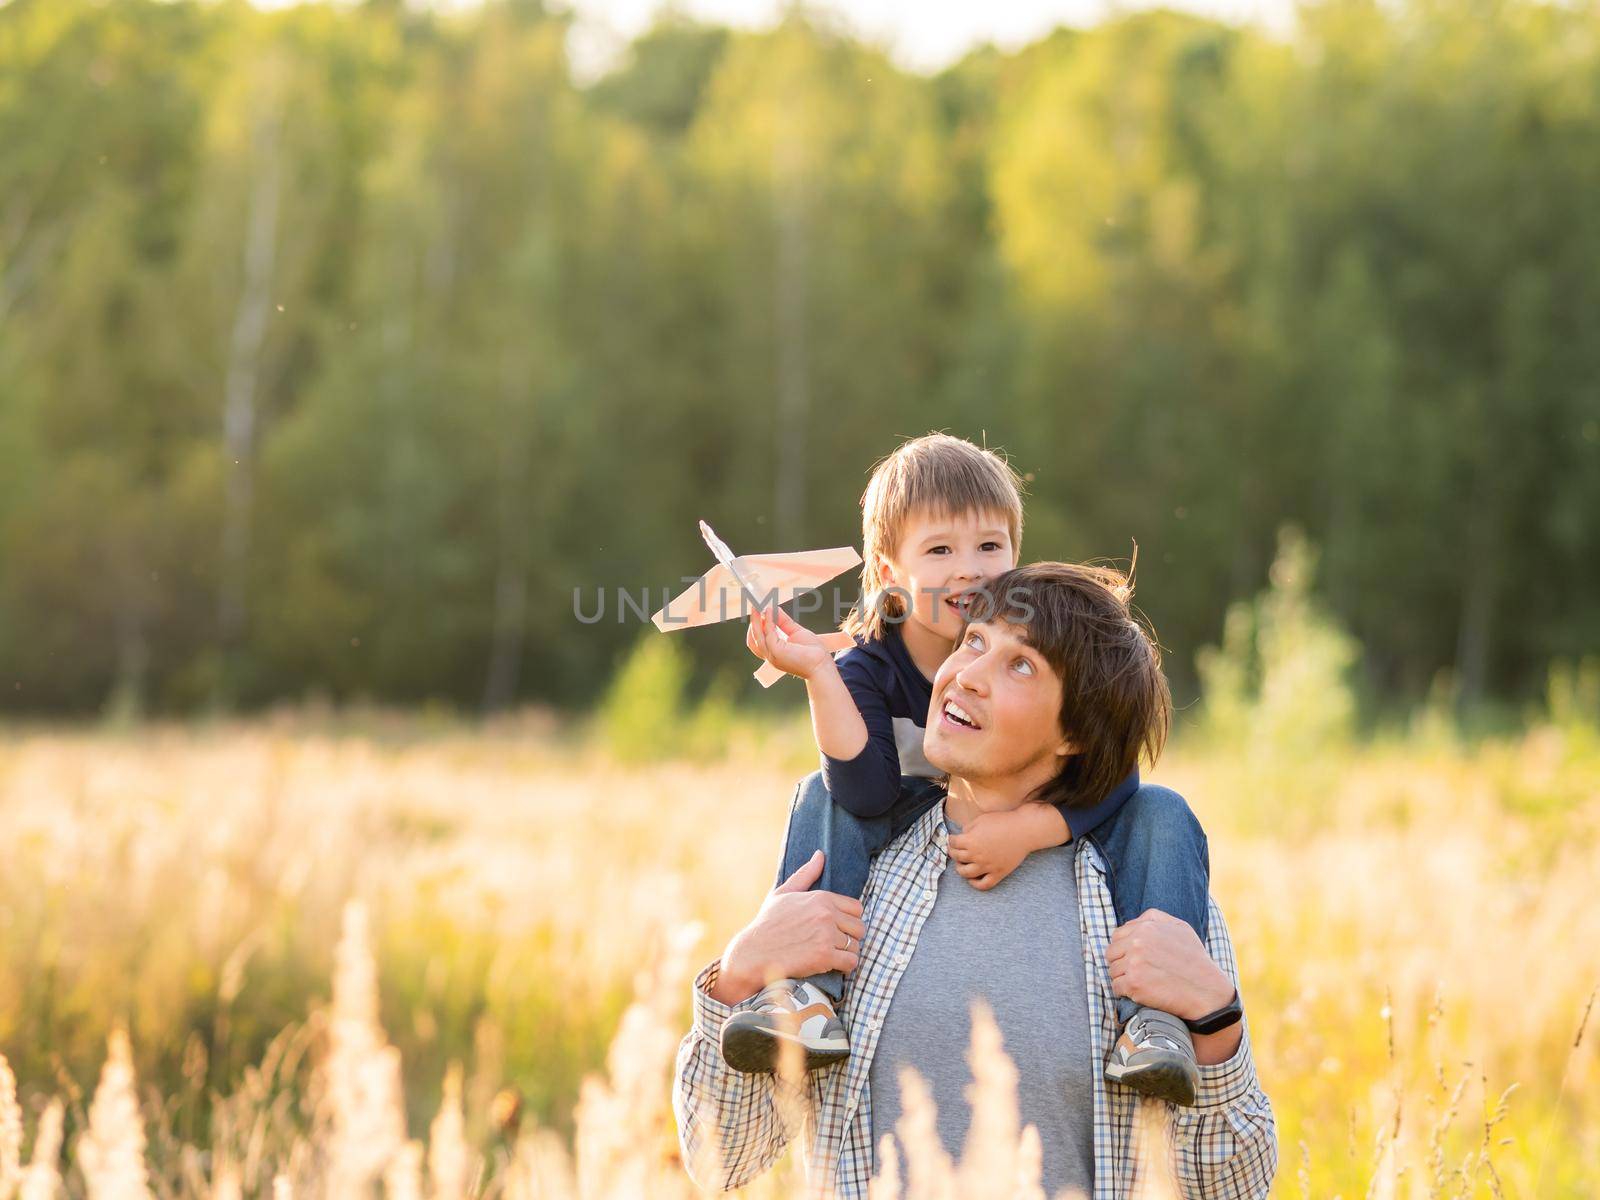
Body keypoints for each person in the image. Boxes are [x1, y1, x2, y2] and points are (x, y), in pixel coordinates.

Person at [673, 562, 1277, 1199]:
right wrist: (737, 978)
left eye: (1021, 666)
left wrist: (1216, 1023)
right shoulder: (852, 878)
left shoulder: (1145, 898)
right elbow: (722, 1162)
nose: (968, 677)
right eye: (974, 642)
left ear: (1074, 732)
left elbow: (1231, 1191)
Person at [727, 433, 1213, 1106]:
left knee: (1162, 812)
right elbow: (863, 792)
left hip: (1028, 808)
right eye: (940, 550)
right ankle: (806, 993)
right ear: (889, 571)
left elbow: (1113, 770)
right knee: (820, 794)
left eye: (990, 547)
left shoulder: (1040, 629)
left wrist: (1033, 829)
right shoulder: (868, 663)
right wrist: (819, 676)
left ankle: (1157, 1023)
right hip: (895, 813)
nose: (970, 570)